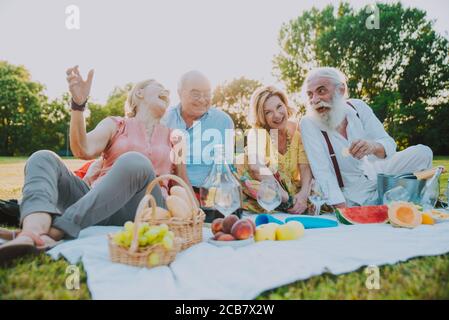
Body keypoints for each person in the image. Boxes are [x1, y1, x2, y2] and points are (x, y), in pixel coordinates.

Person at [0, 66, 191, 265]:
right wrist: (78, 105)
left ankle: (57, 231)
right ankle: (31, 233)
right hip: (95, 202)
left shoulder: (175, 137)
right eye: (159, 86)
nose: (166, 92)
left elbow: (181, 186)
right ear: (139, 93)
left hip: (145, 209)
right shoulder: (115, 124)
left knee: (135, 162)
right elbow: (83, 149)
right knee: (42, 157)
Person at [299, 67, 433, 207]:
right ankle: (398, 198)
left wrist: (373, 146)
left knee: (423, 153)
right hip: (354, 192)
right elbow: (322, 172)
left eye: (321, 91)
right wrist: (342, 210)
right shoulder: (309, 123)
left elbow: (389, 144)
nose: (315, 100)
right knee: (372, 203)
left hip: (379, 172)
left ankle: (410, 199)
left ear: (341, 90)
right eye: (310, 94)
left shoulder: (357, 107)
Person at [161, 71, 234, 220]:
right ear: (180, 93)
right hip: (171, 192)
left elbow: (229, 166)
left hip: (211, 195)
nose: (202, 99)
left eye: (207, 94)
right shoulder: (164, 119)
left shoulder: (224, 121)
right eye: (195, 94)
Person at [233, 85, 314, 214]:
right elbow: (256, 167)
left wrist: (304, 195)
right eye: (268, 112)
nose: (277, 115)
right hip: (272, 193)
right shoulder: (258, 133)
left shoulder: (299, 130)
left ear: (285, 105)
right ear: (262, 116)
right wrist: (286, 198)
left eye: (279, 106)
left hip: (294, 192)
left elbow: (305, 166)